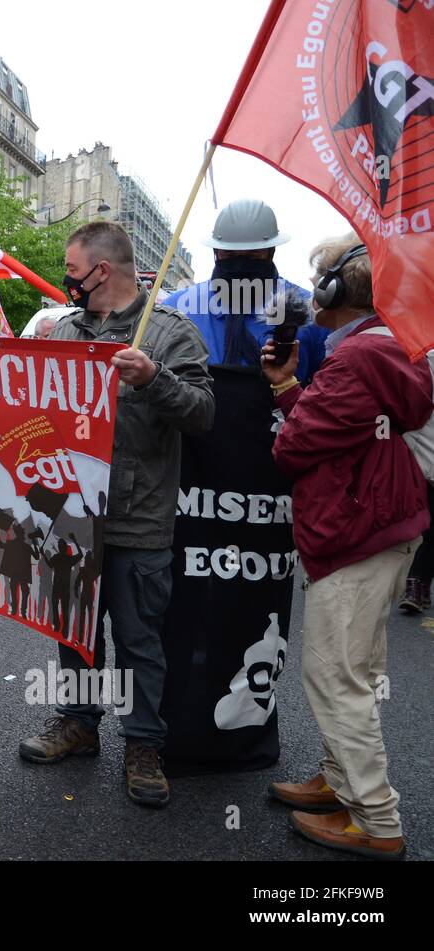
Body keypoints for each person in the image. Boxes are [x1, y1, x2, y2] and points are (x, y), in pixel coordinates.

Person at [18, 221, 214, 809]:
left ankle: (143, 745)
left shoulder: (169, 334)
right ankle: (78, 723)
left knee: (138, 639)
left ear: (101, 271)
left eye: (71, 271)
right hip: (70, 515)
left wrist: (154, 380)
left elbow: (203, 414)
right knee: (74, 634)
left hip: (139, 518)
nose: (66, 281)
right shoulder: (64, 330)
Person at [262, 237, 431, 860]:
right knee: (354, 668)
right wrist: (290, 387)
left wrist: (283, 395)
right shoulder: (382, 354)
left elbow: (294, 448)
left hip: (358, 531)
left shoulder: (357, 361)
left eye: (318, 279)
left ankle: (375, 819)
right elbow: (333, 428)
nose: (312, 291)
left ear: (337, 291)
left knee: (336, 677)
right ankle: (339, 783)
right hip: (381, 526)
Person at [163, 199, 327, 383]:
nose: (240, 264)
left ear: (271, 252)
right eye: (230, 255)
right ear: (216, 252)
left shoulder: (310, 312)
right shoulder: (176, 310)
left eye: (252, 256)